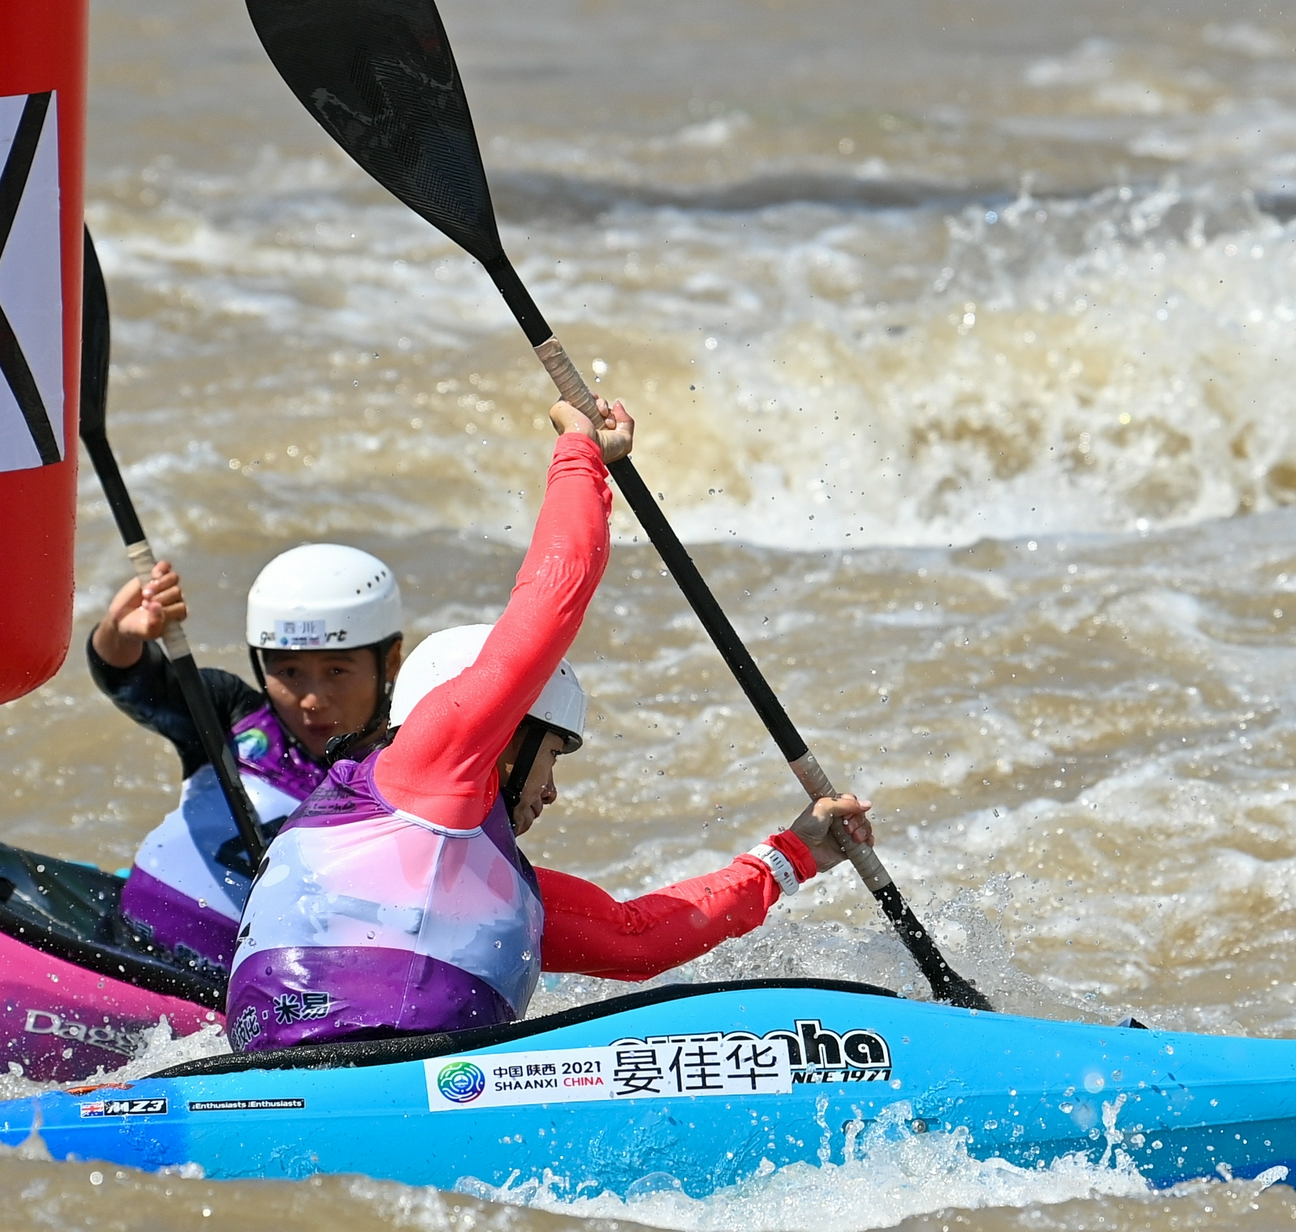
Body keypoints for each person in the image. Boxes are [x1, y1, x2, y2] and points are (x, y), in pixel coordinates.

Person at [225, 397, 875, 1052]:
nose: (553, 792)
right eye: (553, 757)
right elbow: (552, 599)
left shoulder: (466, 873)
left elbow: (637, 939)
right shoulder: (431, 759)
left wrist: (793, 857)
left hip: (296, 1082)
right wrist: (581, 457)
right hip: (345, 1077)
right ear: (507, 731)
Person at [88, 543, 404, 975]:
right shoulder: (226, 716)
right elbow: (131, 679)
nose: (312, 699)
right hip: (129, 946)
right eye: (288, 673)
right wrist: (120, 633)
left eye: (336, 671)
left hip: (248, 996)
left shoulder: (404, 770)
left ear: (390, 660)